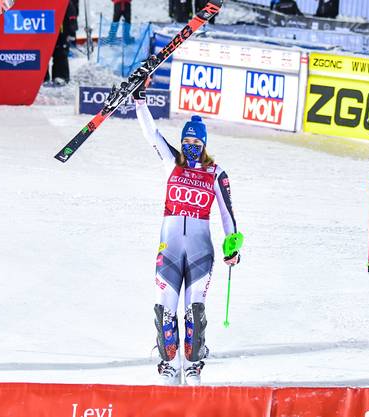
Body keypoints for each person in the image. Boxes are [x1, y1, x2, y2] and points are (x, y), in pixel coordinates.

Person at [131, 73, 242, 385]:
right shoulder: (173, 163)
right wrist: (140, 101)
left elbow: (227, 213)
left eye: (196, 142)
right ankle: (168, 363)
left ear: (204, 143)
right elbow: (152, 135)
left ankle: (193, 363)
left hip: (200, 251)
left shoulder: (215, 172)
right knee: (163, 312)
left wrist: (232, 246)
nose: (190, 146)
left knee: (194, 311)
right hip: (169, 250)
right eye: (186, 141)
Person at [45, 2, 78, 86]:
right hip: (42, 26)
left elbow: (72, 14)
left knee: (61, 51)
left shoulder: (66, 3)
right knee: (41, 54)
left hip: (61, 30)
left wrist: (72, 31)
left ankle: (60, 76)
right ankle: (42, 77)